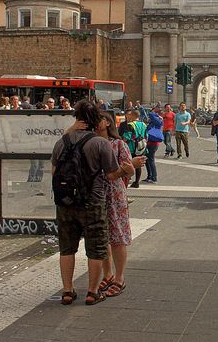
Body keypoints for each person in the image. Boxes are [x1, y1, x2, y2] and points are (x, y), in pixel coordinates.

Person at [52, 100, 142, 306]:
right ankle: (92, 292)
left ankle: (67, 291)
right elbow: (112, 175)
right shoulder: (99, 143)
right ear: (95, 120)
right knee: (97, 248)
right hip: (93, 202)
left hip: (66, 203)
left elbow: (54, 172)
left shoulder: (62, 141)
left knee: (67, 249)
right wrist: (128, 169)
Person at [96, 112, 134, 298]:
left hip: (115, 194)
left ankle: (119, 278)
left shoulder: (119, 144)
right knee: (102, 236)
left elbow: (129, 171)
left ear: (107, 123)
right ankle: (107, 274)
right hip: (96, 194)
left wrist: (119, 171)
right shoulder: (92, 143)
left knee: (117, 235)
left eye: (98, 119)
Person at [119, 109, 147, 187]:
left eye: (131, 115)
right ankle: (137, 182)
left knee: (129, 163)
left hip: (131, 147)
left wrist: (122, 144)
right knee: (138, 164)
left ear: (134, 116)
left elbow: (127, 137)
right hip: (141, 146)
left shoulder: (131, 125)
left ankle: (126, 182)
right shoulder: (143, 124)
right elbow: (146, 136)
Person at [143, 105, 164, 183]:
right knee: (147, 159)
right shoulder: (156, 120)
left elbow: (151, 114)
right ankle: (149, 176)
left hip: (153, 143)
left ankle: (154, 177)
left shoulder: (158, 120)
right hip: (150, 142)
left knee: (151, 159)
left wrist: (154, 111)